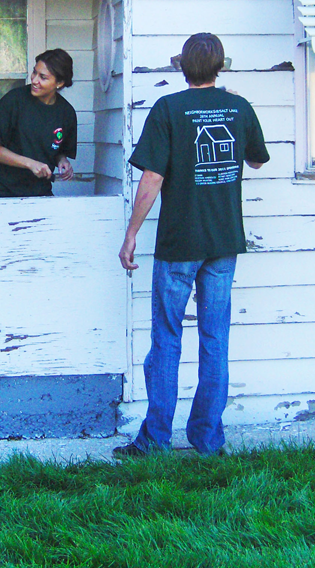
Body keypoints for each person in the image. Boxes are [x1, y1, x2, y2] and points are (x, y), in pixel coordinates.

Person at [115, 33, 269, 457]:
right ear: (220, 66)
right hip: (223, 241)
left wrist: (131, 232)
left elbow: (152, 177)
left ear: (182, 66)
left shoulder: (169, 109)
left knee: (166, 338)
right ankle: (207, 439)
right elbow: (255, 159)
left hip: (180, 242)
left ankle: (155, 441)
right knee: (214, 339)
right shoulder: (239, 107)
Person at [0, 48, 77, 198]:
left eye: (43, 77)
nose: (34, 80)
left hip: (38, 189)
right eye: (34, 72)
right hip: (0, 188)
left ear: (60, 83)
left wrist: (62, 161)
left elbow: (57, 149)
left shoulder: (66, 113)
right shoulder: (13, 101)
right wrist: (30, 163)